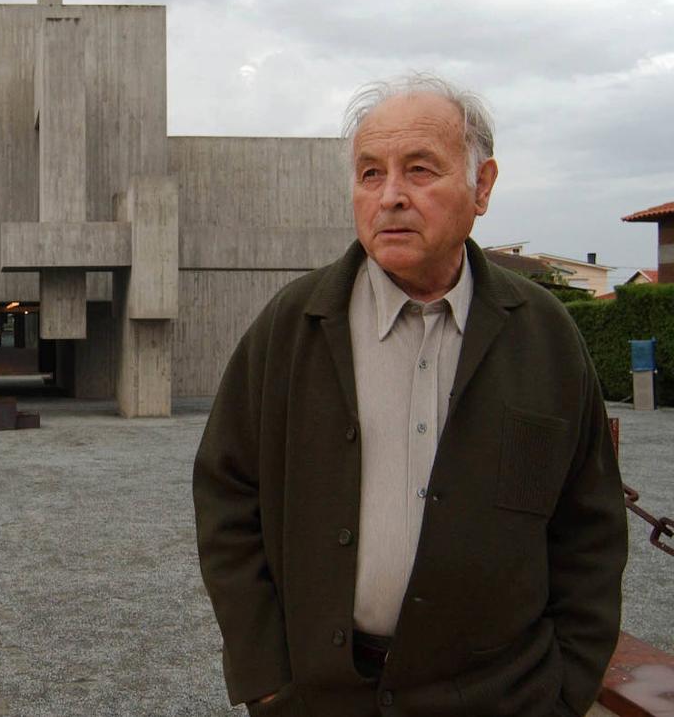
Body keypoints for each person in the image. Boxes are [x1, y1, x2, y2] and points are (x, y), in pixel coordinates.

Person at [193, 73, 627, 717]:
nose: (390, 196)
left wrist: (564, 690)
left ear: (482, 187)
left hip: (503, 698)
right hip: (322, 697)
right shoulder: (291, 327)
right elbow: (228, 498)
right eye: (371, 174)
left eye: (419, 170)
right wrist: (266, 679)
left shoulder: (545, 336)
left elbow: (589, 525)